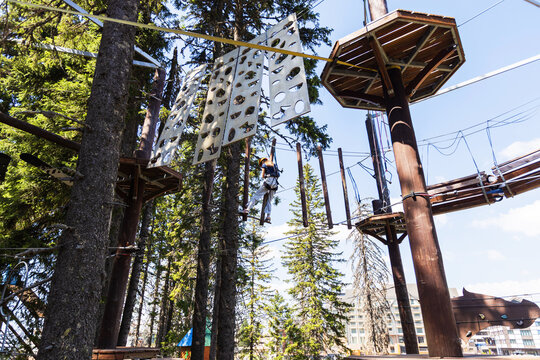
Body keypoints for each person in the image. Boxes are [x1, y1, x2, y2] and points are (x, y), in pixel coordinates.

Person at [242, 157, 279, 223]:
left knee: (257, 195)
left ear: (262, 161)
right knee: (269, 200)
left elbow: (262, 176)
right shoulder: (274, 165)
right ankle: (268, 216)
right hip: (275, 184)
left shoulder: (264, 164)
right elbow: (278, 175)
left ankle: (247, 209)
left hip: (268, 182)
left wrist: (265, 176)